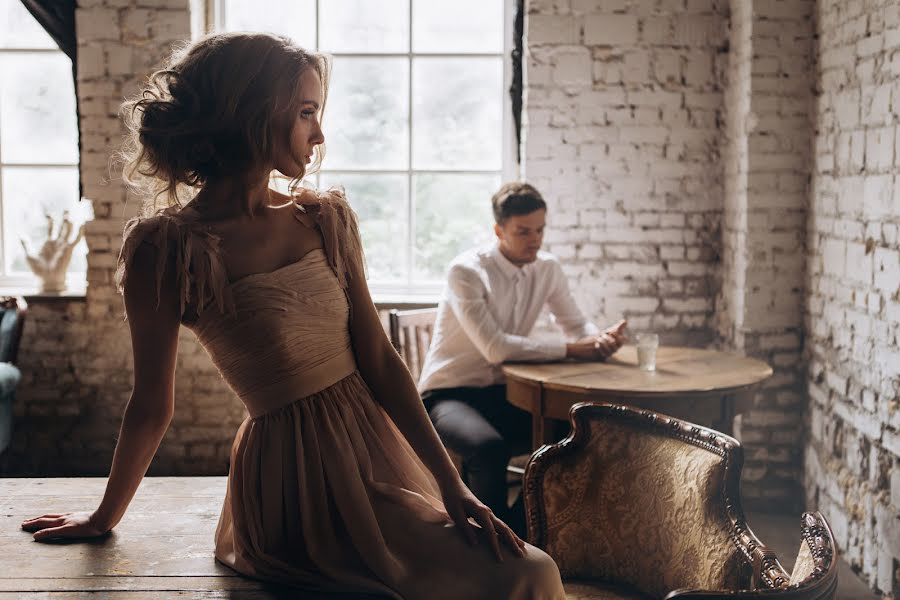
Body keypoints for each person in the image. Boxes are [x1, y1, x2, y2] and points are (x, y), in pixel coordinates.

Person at [20, 33, 565, 600]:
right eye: (306, 112)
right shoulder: (167, 247)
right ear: (250, 110)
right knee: (509, 575)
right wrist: (105, 516)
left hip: (375, 454)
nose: (320, 134)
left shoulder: (325, 219)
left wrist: (452, 485)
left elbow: (379, 359)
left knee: (527, 568)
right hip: (290, 478)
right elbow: (151, 402)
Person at [418, 182, 627, 535]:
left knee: (579, 431)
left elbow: (575, 325)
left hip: (505, 393)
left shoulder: (547, 269)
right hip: (448, 394)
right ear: (499, 230)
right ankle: (490, 546)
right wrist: (574, 350)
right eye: (523, 231)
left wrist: (600, 340)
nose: (535, 239)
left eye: (541, 229)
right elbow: (496, 348)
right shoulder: (466, 271)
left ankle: (519, 529)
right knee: (488, 448)